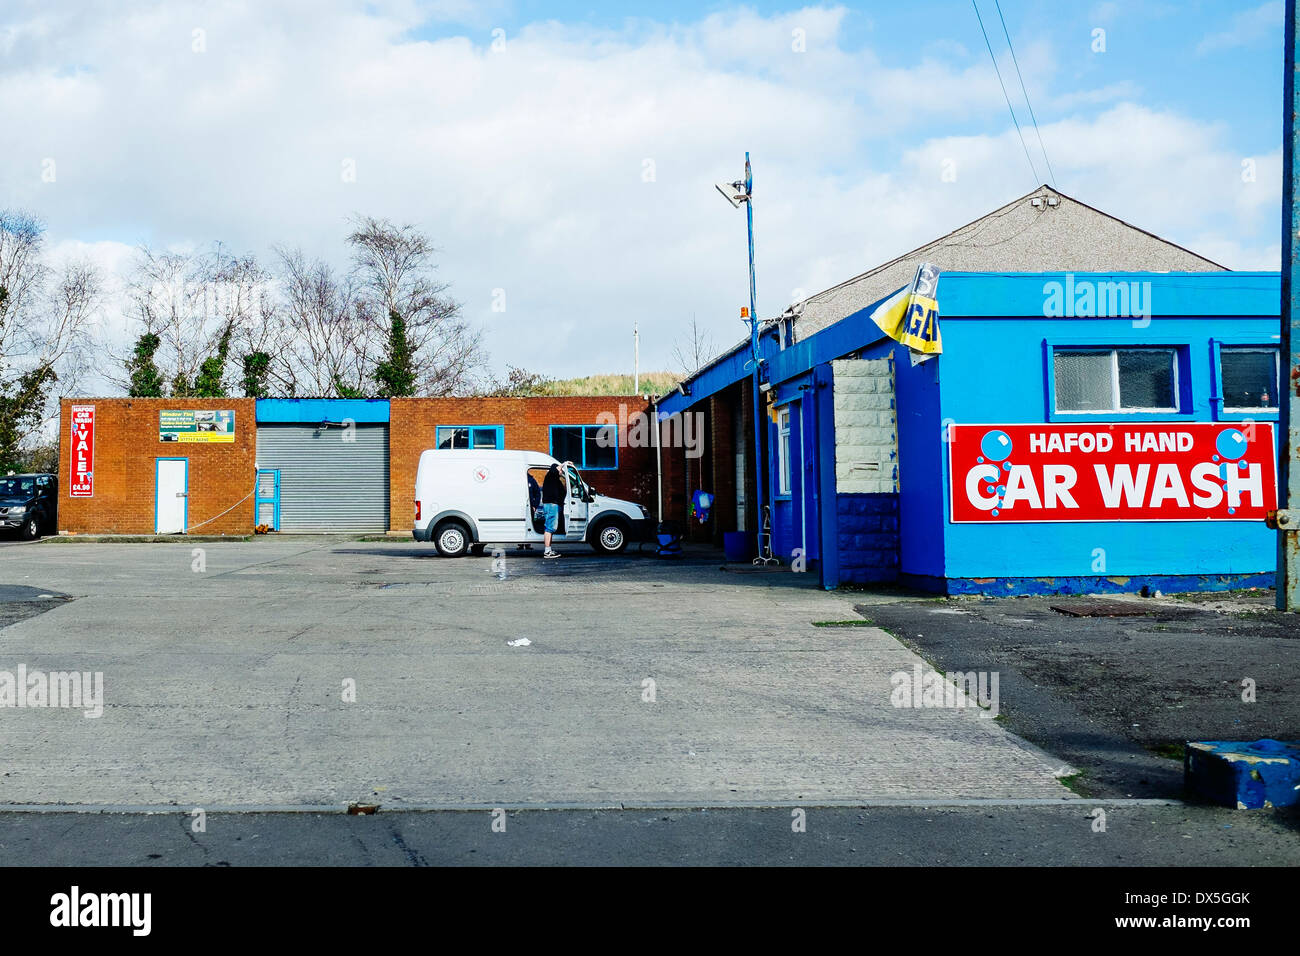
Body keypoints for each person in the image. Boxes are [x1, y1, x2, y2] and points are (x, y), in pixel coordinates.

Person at [540, 462, 567, 559]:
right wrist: (565, 463)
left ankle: (549, 549)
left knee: (550, 528)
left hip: (553, 505)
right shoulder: (551, 475)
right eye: (560, 470)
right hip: (551, 505)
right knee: (549, 528)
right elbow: (555, 469)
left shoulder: (554, 479)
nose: (561, 471)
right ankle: (547, 551)